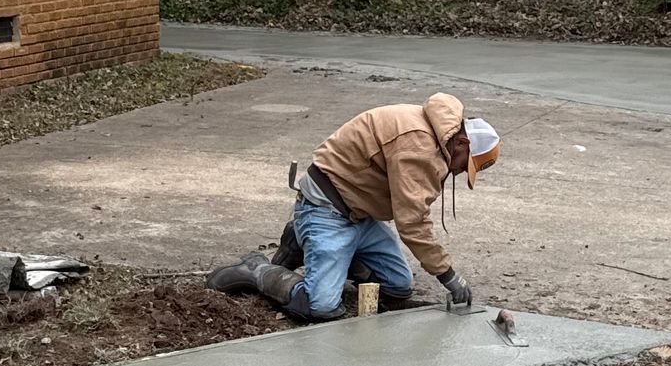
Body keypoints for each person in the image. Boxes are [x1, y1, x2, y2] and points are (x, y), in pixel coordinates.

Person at [208, 93, 500, 321]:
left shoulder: (437, 134)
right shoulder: (419, 147)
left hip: (359, 213)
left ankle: (309, 244)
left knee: (397, 287)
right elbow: (412, 222)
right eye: (467, 166)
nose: (461, 173)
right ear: (461, 142)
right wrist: (448, 275)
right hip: (327, 208)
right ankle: (256, 270)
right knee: (319, 306)